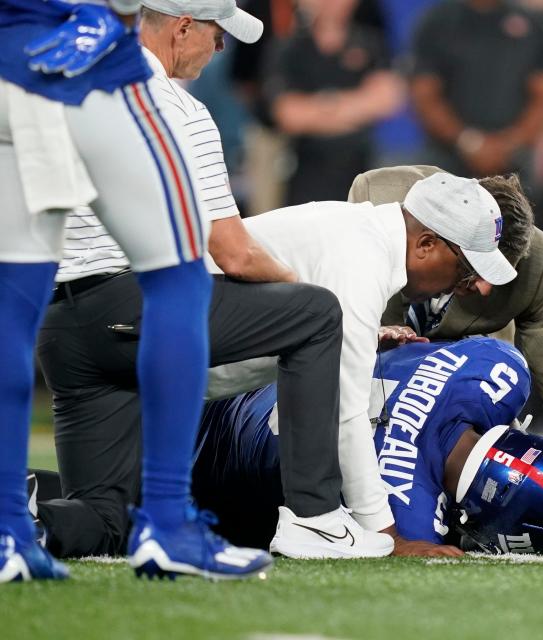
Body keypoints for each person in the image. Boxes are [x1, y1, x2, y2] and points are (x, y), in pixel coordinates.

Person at [31, 0, 396, 564]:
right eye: (216, 32)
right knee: (317, 313)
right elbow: (234, 252)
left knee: (107, 521)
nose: (221, 47)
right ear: (181, 28)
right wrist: (295, 288)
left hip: (62, 327)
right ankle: (317, 519)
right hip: (132, 305)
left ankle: (26, 515)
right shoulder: (178, 108)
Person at [0, 0, 271, 581]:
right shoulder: (173, 95)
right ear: (181, 25)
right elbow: (225, 249)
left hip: (9, 61)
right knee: (177, 277)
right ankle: (169, 525)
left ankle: (7, 534)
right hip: (91, 53)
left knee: (13, 304)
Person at [349, 165, 543, 555]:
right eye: (479, 265)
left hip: (453, 395)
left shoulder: (536, 258)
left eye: (499, 273)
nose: (484, 287)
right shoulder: (380, 199)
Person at [188, 338, 543, 556]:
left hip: (237, 377)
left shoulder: (498, 365)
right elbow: (408, 540)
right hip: (203, 466)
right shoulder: (405, 515)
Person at [265, 0, 403, 204]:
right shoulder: (289, 48)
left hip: (363, 170)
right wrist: (357, 105)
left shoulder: (371, 43)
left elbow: (388, 101)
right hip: (306, 173)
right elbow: (289, 115)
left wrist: (321, 107)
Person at [409, 0, 543, 179]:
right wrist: (468, 141)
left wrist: (510, 143)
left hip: (517, 160)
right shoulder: (438, 21)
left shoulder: (535, 23)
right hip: (448, 160)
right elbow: (425, 94)